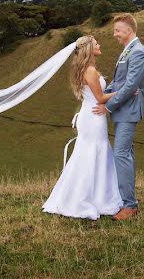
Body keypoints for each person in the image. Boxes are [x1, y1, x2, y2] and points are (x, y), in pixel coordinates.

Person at [41, 35, 124, 220]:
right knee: (92, 153)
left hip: (91, 115)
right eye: (96, 43)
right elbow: (101, 98)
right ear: (88, 49)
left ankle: (97, 196)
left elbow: (98, 95)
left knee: (91, 153)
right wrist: (125, 91)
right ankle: (87, 198)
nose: (99, 44)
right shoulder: (90, 71)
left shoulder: (86, 69)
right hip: (93, 118)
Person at [92, 13, 144, 221]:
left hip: (128, 110)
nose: (114, 34)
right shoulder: (128, 51)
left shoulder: (139, 52)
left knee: (121, 154)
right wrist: (100, 96)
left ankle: (130, 205)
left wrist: (108, 107)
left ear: (129, 30)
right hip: (122, 109)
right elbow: (119, 84)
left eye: (117, 30)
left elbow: (130, 86)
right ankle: (127, 198)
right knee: (126, 154)